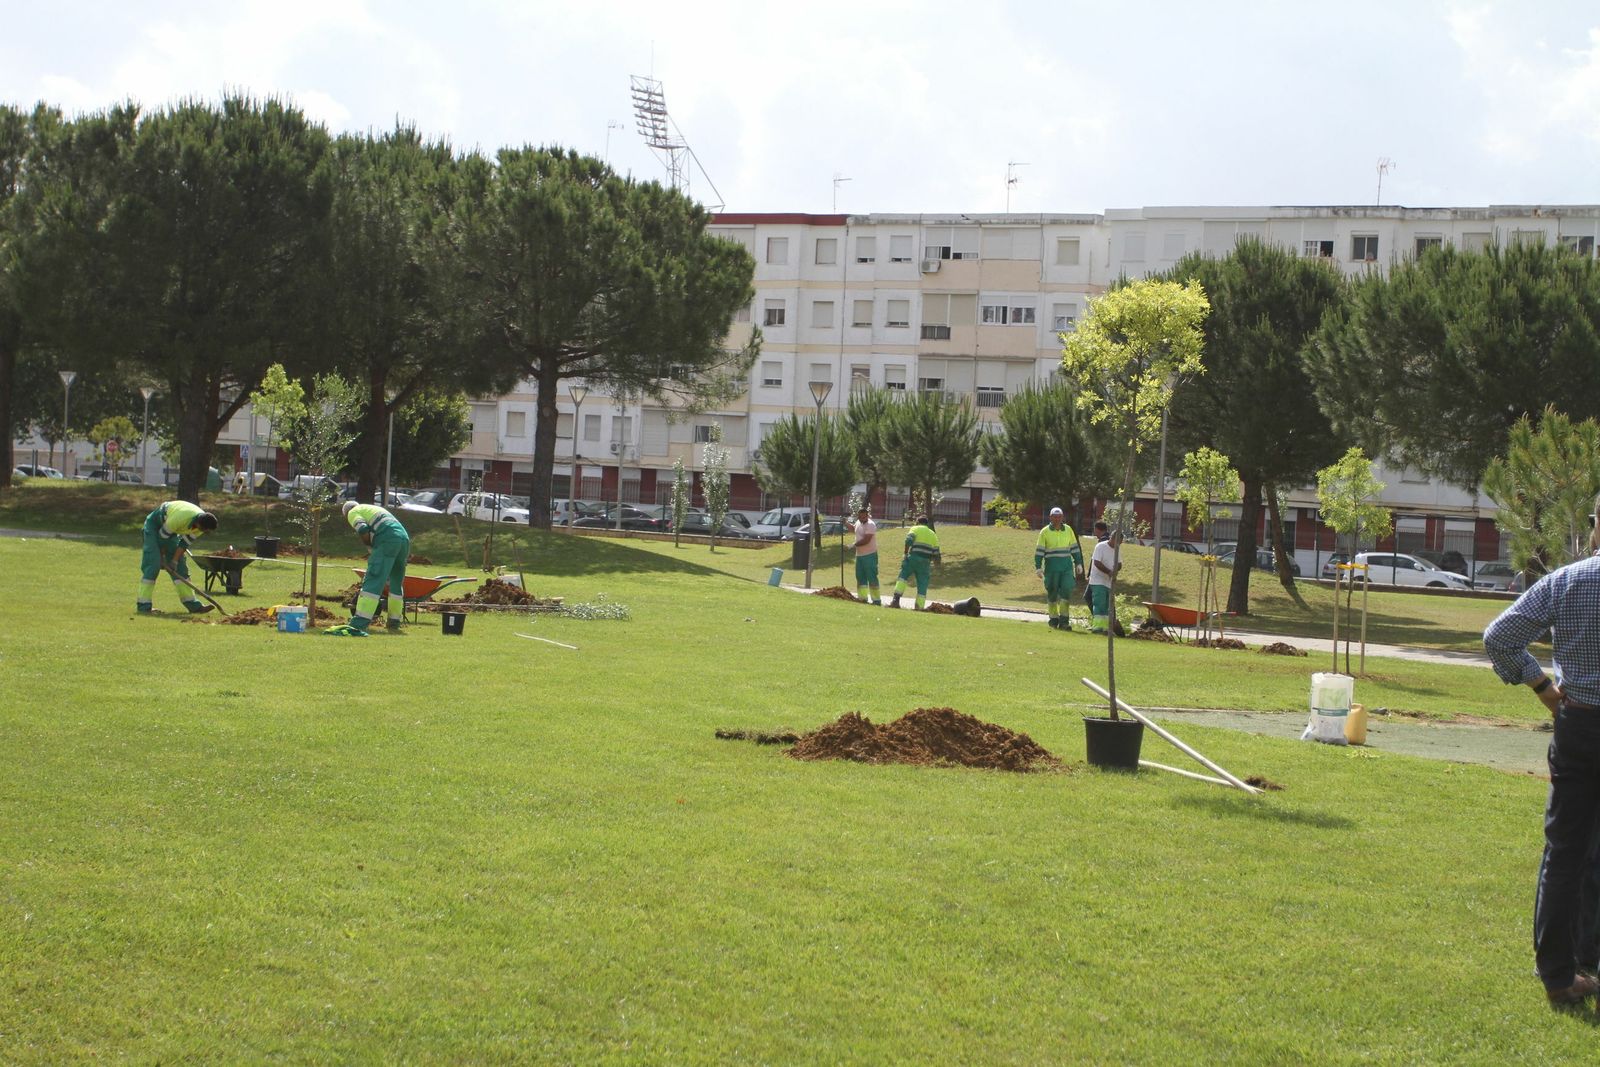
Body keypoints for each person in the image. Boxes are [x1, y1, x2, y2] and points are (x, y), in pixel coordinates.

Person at [1483, 494, 1600, 1007]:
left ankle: (1559, 975)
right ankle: (1587, 956)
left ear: (1597, 526)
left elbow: (1499, 637)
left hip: (1579, 724)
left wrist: (1543, 689)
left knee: (1565, 850)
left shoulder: (1568, 581)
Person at [336, 500, 411, 635]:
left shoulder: (353, 512)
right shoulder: (371, 508)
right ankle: (394, 622)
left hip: (387, 540)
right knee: (396, 583)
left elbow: (362, 529)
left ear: (346, 513)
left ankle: (359, 623)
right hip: (403, 539)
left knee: (374, 578)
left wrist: (369, 544)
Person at [137, 500, 218, 614]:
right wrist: (161, 558)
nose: (204, 532)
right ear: (199, 523)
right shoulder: (181, 518)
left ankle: (194, 606)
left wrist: (174, 561)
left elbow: (183, 544)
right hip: (155, 526)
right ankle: (144, 606)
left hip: (171, 531)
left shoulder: (201, 526)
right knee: (153, 565)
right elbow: (162, 539)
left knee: (181, 568)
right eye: (204, 529)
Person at [1034, 506, 1086, 631]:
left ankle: (1064, 621)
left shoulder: (1068, 530)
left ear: (1062, 517)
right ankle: (1053, 619)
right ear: (1050, 517)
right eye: (1055, 517)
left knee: (1066, 592)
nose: (1057, 519)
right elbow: (1040, 550)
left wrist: (1078, 563)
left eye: (1059, 517)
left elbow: (1074, 547)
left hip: (1066, 568)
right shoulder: (1045, 532)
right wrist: (1038, 567)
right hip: (1051, 568)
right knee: (1052, 594)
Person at [890, 515, 941, 611]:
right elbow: (936, 553)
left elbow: (908, 540)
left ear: (918, 522)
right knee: (923, 584)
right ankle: (919, 607)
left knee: (903, 577)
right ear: (927, 524)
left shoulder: (915, 528)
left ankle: (895, 600)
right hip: (925, 562)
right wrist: (936, 565)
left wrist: (905, 553)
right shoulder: (933, 534)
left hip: (913, 558)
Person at [1087, 522, 1122, 635]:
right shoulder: (1101, 546)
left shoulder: (1117, 550)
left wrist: (1115, 570)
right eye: (1117, 542)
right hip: (1098, 581)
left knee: (1107, 606)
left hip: (1108, 582)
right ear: (1112, 538)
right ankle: (1097, 628)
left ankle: (1106, 628)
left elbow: (1120, 563)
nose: (1118, 545)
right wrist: (1109, 572)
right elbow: (1096, 562)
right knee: (1099, 604)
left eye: (1120, 543)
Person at [846, 504, 881, 605]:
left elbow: (866, 540)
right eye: (860, 517)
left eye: (864, 517)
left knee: (872, 577)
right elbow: (853, 529)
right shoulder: (858, 522)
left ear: (867, 515)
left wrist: (853, 545)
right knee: (860, 577)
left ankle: (876, 600)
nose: (862, 519)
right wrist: (845, 523)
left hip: (870, 554)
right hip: (860, 555)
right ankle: (862, 598)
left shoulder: (871, 525)